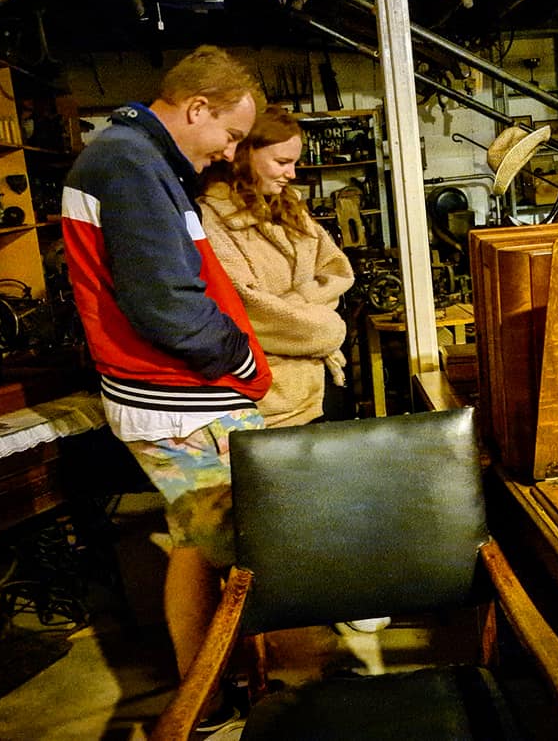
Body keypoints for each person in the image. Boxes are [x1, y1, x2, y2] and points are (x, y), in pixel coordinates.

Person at [60, 46, 272, 702]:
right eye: (230, 135)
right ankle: (210, 696)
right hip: (176, 398)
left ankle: (211, 691)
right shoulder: (128, 161)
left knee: (197, 539)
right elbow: (165, 304)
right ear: (197, 107)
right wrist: (237, 357)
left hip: (178, 394)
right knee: (221, 546)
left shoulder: (132, 157)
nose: (230, 153)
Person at [199, 105, 355, 427]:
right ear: (244, 156)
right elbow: (246, 311)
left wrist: (293, 306)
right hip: (269, 397)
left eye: (294, 163)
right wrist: (322, 326)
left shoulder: (290, 208)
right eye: (282, 162)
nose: (292, 174)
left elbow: (337, 271)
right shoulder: (212, 220)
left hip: (321, 379)